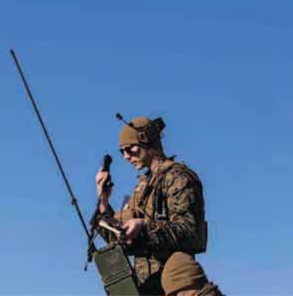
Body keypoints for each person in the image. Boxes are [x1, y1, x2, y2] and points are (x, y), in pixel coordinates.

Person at [95, 115, 222, 296]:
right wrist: (103, 200)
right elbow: (118, 239)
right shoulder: (141, 190)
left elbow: (189, 230)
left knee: (181, 270)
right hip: (148, 287)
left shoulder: (177, 177)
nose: (126, 156)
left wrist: (144, 227)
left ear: (146, 140)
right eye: (122, 152)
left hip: (176, 283)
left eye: (130, 149)